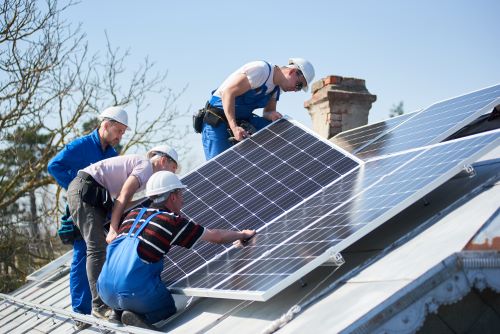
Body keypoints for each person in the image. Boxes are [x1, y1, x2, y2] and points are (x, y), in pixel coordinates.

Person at [97, 171, 256, 329]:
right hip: (135, 292)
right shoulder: (171, 221)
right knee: (168, 307)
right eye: (181, 194)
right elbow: (216, 237)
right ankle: (141, 316)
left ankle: (116, 311)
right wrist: (242, 234)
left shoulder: (134, 214)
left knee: (125, 285)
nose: (183, 199)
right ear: (172, 196)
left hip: (104, 288)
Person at [66, 145, 180, 321]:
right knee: (97, 248)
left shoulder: (144, 172)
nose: (172, 175)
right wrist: (113, 228)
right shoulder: (145, 167)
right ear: (163, 160)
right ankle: (99, 305)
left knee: (99, 247)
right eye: (173, 169)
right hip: (85, 191)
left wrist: (151, 198)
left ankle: (111, 303)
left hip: (91, 192)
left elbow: (123, 201)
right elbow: (122, 197)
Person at [47, 106, 129, 327]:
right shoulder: (80, 146)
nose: (121, 136)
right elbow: (54, 166)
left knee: (101, 252)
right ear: (106, 125)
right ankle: (80, 313)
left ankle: (104, 302)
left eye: (123, 132)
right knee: (82, 254)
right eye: (119, 130)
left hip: (100, 210)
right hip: (82, 209)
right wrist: (77, 191)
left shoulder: (112, 155)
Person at [200, 58, 315, 160]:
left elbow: (267, 112)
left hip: (243, 119)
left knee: (281, 131)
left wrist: (272, 115)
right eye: (299, 85)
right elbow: (228, 93)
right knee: (219, 165)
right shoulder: (261, 70)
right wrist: (234, 127)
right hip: (218, 119)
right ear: (293, 72)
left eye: (299, 89)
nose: (296, 90)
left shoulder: (277, 88)